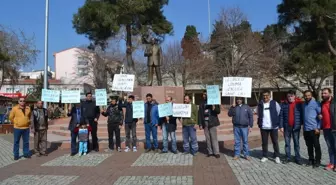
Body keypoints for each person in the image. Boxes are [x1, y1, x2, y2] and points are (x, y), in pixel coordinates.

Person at [257, 90, 281, 164]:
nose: (265, 97)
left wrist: (277, 122)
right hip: (264, 127)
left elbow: (279, 111)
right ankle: (265, 156)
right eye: (264, 95)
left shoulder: (274, 103)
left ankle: (277, 156)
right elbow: (258, 113)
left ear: (270, 96)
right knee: (264, 142)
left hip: (273, 126)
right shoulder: (260, 104)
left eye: (267, 95)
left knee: (275, 142)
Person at [279, 90, 303, 165]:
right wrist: (281, 126)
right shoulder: (284, 104)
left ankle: (297, 158)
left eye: (291, 96)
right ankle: (288, 157)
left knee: (296, 143)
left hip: (296, 127)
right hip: (287, 127)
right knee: (287, 143)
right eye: (288, 96)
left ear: (294, 96)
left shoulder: (299, 104)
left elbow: (302, 115)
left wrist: (300, 124)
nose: (290, 98)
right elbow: (281, 116)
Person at [198, 91, 221, 158]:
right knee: (207, 138)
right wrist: (200, 123)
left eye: (205, 94)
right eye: (203, 94)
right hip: (205, 122)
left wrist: (214, 108)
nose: (204, 95)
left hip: (212, 121)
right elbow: (200, 114)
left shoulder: (214, 101)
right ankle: (210, 152)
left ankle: (216, 152)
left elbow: (218, 111)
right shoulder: (201, 103)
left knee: (214, 138)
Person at [303, 90, 321, 168]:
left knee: (316, 146)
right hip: (306, 129)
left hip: (314, 129)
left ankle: (317, 161)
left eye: (309, 95)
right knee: (309, 146)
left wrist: (318, 127)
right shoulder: (303, 104)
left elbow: (321, 116)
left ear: (311, 96)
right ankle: (311, 159)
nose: (307, 97)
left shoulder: (316, 104)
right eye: (306, 95)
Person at [320, 88, 335, 170]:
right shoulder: (322, 103)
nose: (323, 95)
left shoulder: (334, 102)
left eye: (325, 93)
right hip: (326, 128)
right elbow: (321, 113)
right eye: (322, 93)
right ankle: (332, 163)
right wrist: (320, 115)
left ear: (330, 93)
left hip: (334, 128)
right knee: (330, 147)